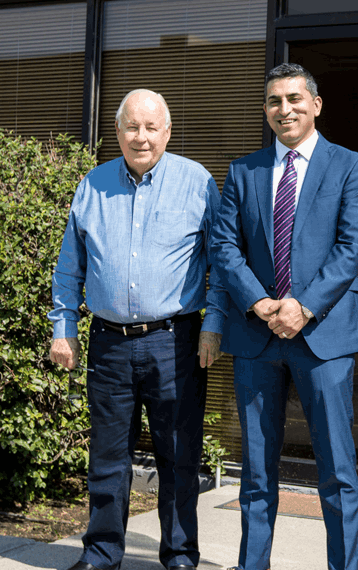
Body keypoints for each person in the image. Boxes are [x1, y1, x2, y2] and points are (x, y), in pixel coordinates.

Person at [199, 63, 358, 570]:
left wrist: (303, 306)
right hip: (257, 337)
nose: (285, 109)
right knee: (256, 469)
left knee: (336, 469)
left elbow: (353, 246)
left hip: (324, 335)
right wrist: (259, 302)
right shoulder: (243, 171)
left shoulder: (350, 165)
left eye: (295, 99)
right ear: (265, 111)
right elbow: (224, 246)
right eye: (275, 101)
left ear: (316, 105)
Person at [51, 89, 219, 570]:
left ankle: (181, 556)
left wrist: (214, 326)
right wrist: (64, 327)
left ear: (167, 132)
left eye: (151, 127)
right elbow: (69, 267)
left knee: (179, 456)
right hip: (108, 345)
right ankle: (102, 554)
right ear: (118, 131)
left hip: (175, 342)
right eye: (131, 126)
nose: (140, 137)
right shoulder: (93, 184)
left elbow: (222, 265)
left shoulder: (198, 183)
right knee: (107, 457)